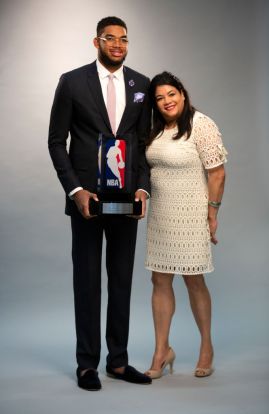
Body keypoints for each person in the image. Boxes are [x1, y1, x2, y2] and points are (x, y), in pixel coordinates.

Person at [48, 16, 152, 391]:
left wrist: (142, 190)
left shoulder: (141, 84)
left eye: (124, 39)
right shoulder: (72, 82)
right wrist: (75, 191)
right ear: (96, 42)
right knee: (88, 281)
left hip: (127, 199)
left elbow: (144, 143)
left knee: (121, 280)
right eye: (110, 38)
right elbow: (56, 141)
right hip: (87, 200)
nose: (118, 45)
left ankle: (119, 362)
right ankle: (87, 364)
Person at [144, 72, 227, 379]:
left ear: (182, 92)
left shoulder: (201, 124)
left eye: (171, 94)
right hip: (161, 216)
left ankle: (206, 348)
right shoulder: (155, 129)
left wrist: (212, 213)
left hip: (191, 214)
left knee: (194, 281)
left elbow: (217, 173)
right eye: (159, 98)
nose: (166, 101)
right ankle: (161, 350)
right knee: (159, 281)